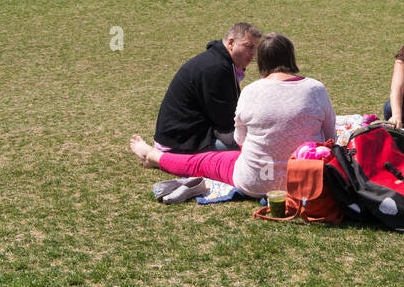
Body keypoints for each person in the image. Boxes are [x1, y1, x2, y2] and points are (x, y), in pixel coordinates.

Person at [132, 32, 335, 197]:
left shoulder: (251, 91)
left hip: (254, 182)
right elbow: (329, 139)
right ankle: (154, 156)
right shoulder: (316, 89)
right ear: (292, 57)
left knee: (201, 162)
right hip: (307, 181)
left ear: (261, 61)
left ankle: (154, 157)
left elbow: (240, 139)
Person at [153, 23, 262, 153]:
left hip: (183, 136)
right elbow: (226, 123)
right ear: (231, 43)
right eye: (249, 47)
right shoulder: (216, 69)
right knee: (253, 147)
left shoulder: (220, 61)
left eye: (255, 48)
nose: (253, 54)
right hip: (180, 144)